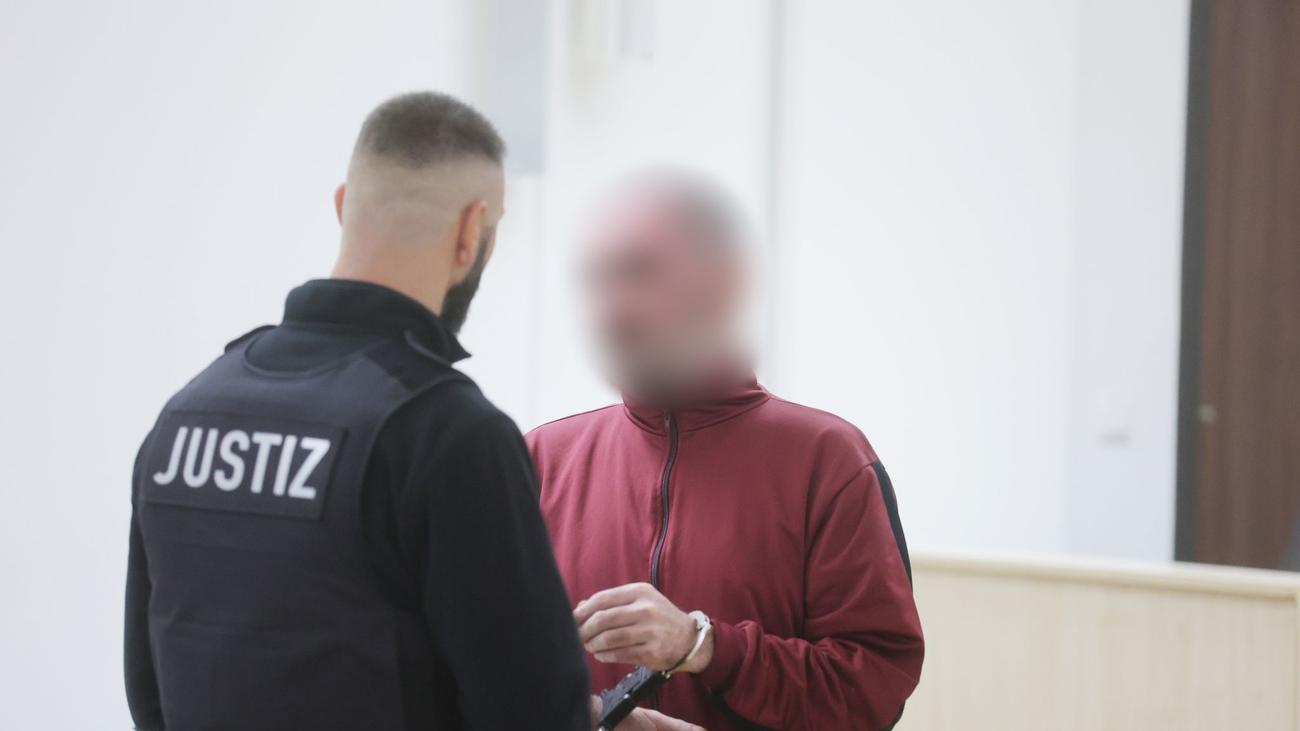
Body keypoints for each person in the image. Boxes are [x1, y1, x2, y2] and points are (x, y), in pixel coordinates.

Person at [123, 91, 694, 731]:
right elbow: (530, 709)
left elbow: (149, 687)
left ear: (344, 206)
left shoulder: (188, 415)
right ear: (471, 232)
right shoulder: (447, 432)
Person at [527, 171, 925, 730]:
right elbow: (489, 659)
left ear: (723, 285)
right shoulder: (543, 459)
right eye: (597, 281)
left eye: (640, 273)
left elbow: (872, 690)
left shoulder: (828, 460)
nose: (612, 311)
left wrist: (703, 647)